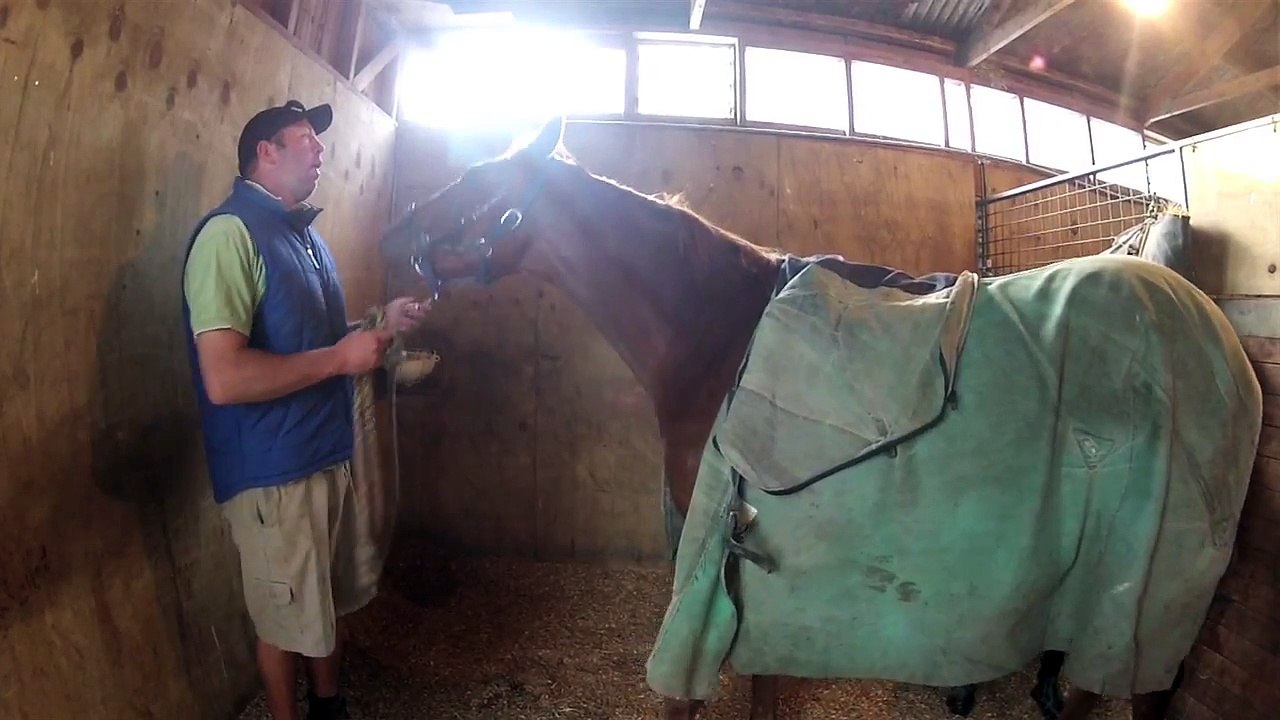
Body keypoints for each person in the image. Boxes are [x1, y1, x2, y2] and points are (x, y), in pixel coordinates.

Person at [179, 99, 428, 720]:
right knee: (284, 619)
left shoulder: (305, 237)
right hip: (272, 471)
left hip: (322, 455)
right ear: (266, 152)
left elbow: (312, 341)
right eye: (304, 140)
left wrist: (377, 324)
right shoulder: (227, 236)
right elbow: (225, 377)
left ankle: (329, 706)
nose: (320, 151)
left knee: (323, 606)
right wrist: (341, 361)